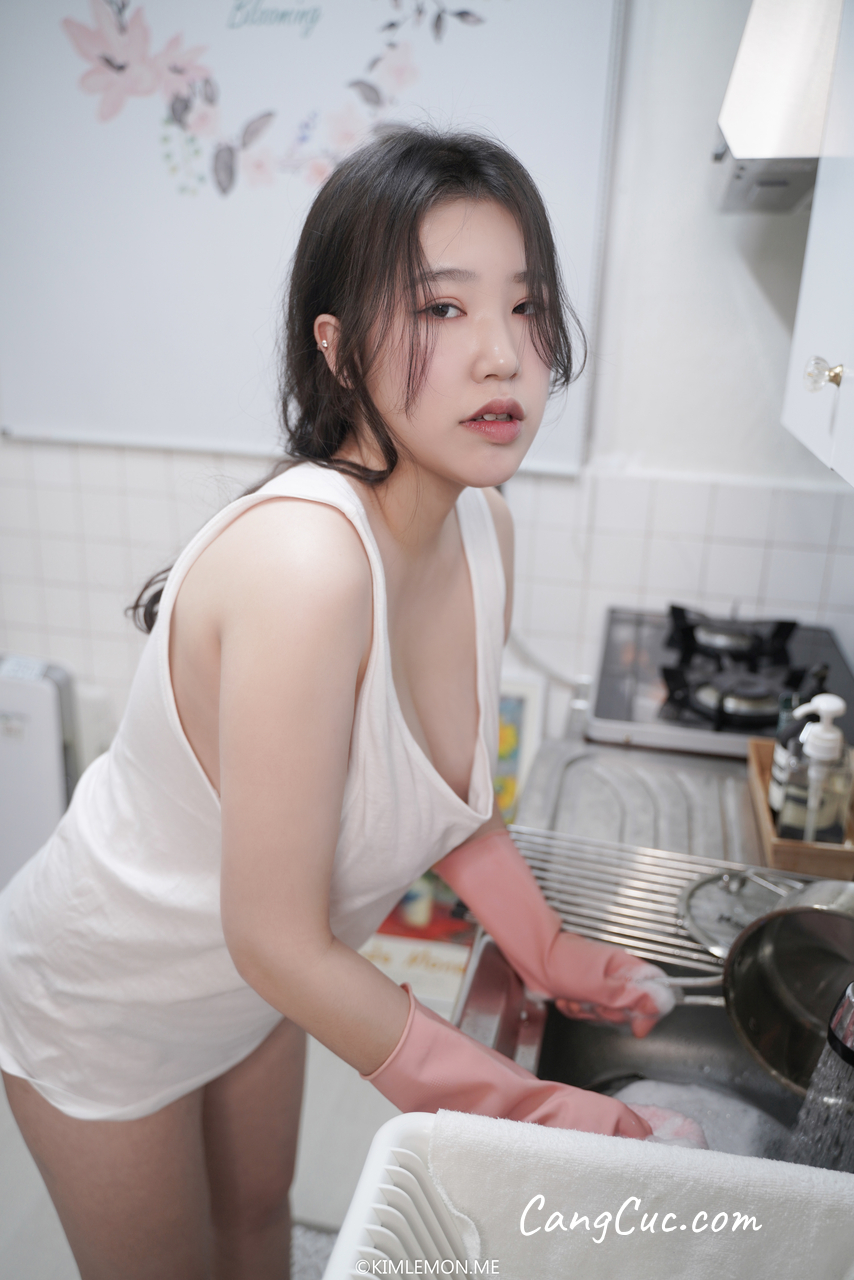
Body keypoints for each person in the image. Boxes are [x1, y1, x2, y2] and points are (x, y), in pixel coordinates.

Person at [0, 127, 679, 1280]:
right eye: (441, 308)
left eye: (523, 306)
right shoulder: (305, 565)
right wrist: (529, 1109)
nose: (503, 356)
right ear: (337, 346)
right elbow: (275, 935)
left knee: (258, 1222)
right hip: (105, 994)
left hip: (251, 981)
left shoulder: (482, 527)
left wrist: (554, 951)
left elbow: (439, 795)